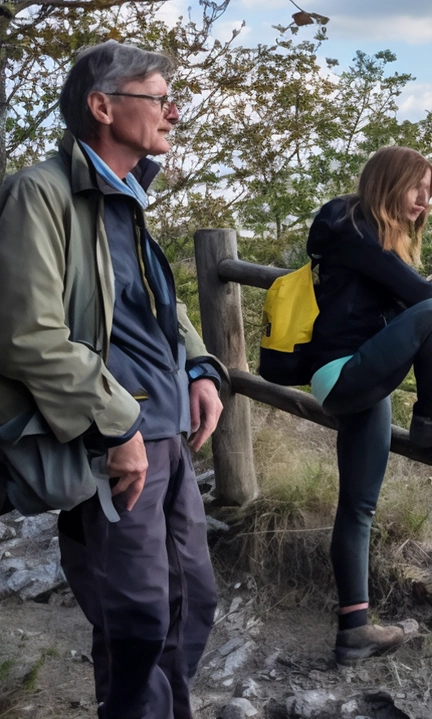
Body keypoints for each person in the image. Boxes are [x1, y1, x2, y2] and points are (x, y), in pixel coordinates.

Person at [0, 41, 228, 719]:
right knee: (137, 619)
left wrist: (198, 366)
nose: (174, 113)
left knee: (193, 601)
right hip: (111, 444)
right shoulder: (38, 195)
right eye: (158, 98)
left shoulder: (126, 195)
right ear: (103, 107)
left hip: (168, 433)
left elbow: (158, 305)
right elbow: (26, 333)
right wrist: (117, 423)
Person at [302, 145, 432, 664]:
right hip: (345, 374)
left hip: (355, 378)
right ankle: (430, 419)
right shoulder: (355, 227)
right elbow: (428, 299)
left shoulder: (362, 233)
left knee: (359, 506)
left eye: (430, 192)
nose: (424, 201)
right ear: (386, 183)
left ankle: (353, 630)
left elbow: (403, 290)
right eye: (416, 188)